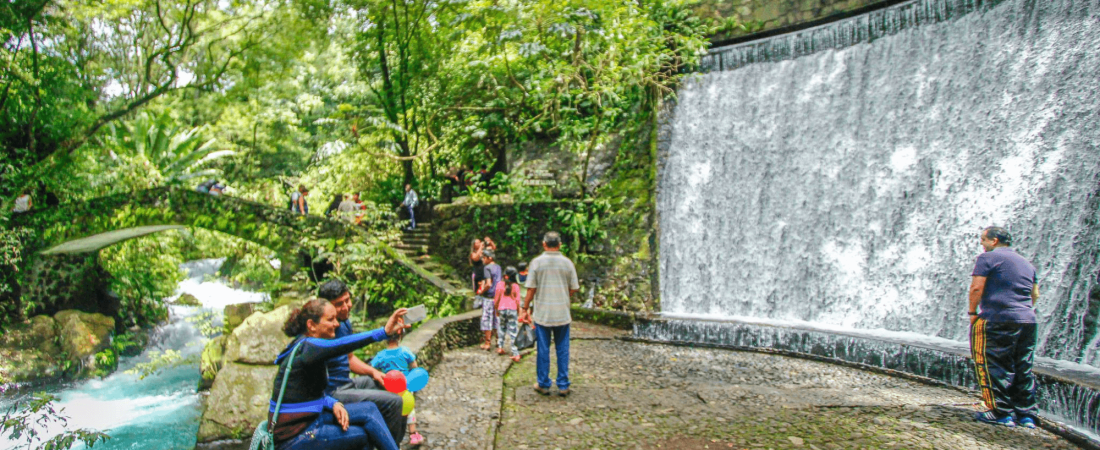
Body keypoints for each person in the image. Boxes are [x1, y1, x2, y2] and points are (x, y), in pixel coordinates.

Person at [269, 298, 408, 450]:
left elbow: (304, 395)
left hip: (312, 420)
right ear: (311, 325)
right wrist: (383, 332)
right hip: (299, 436)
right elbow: (342, 345)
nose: (336, 324)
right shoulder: (308, 347)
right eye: (330, 319)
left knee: (369, 409)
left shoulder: (306, 348)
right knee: (362, 434)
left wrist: (332, 403)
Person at [318, 280, 407, 443]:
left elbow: (350, 358)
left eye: (347, 300)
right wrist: (383, 332)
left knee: (394, 385)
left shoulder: (344, 323)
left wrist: (373, 372)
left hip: (347, 383)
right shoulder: (322, 330)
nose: (346, 307)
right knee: (394, 402)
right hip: (334, 392)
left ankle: (393, 442)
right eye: (339, 304)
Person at [968, 226, 1040, 429]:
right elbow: (1035, 294)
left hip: (997, 318)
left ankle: (999, 412)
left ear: (994, 240)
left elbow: (976, 287)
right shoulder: (1027, 264)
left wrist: (973, 313)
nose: (981, 243)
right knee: (1022, 366)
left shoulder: (987, 258)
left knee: (992, 364)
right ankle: (1026, 415)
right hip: (1027, 319)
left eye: (983, 239)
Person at [520, 231, 579, 397]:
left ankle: (544, 383)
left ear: (544, 244)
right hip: (562, 313)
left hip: (543, 314)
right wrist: (563, 295)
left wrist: (525, 308)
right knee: (563, 349)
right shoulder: (567, 263)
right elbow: (574, 287)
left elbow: (531, 289)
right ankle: (563, 384)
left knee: (543, 349)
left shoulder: (537, 263)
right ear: (559, 244)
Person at [370, 330, 424, 446]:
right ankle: (413, 435)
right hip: (405, 387)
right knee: (409, 409)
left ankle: (391, 438)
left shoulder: (381, 355)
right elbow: (415, 367)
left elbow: (372, 368)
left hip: (388, 389)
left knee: (392, 412)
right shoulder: (405, 351)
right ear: (400, 336)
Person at [494, 266, 522, 362]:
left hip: (502, 308)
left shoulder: (499, 285)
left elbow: (496, 299)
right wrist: (519, 311)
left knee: (501, 328)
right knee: (513, 331)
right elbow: (518, 300)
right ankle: (515, 353)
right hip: (512, 309)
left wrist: (496, 309)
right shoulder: (516, 286)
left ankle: (500, 347)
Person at [477, 248, 502, 351]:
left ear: (489, 258)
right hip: (498, 297)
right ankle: (499, 341)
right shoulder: (498, 267)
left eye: (484, 257)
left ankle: (487, 343)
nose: (483, 259)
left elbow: (488, 284)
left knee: (487, 319)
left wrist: (481, 291)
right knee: (497, 320)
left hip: (489, 297)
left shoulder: (487, 268)